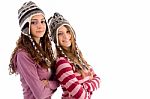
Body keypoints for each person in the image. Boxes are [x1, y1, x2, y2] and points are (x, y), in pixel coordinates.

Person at [9, 1, 59, 99]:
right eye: (34, 22)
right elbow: (40, 94)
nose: (40, 26)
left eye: (42, 21)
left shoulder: (43, 51)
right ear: (26, 27)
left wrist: (49, 84)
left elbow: (57, 80)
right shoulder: (23, 55)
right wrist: (54, 85)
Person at [48, 12, 101, 99]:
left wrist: (84, 86)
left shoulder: (78, 57)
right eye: (60, 33)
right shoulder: (62, 62)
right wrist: (88, 85)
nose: (66, 36)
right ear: (55, 39)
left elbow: (97, 79)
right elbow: (80, 96)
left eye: (68, 31)